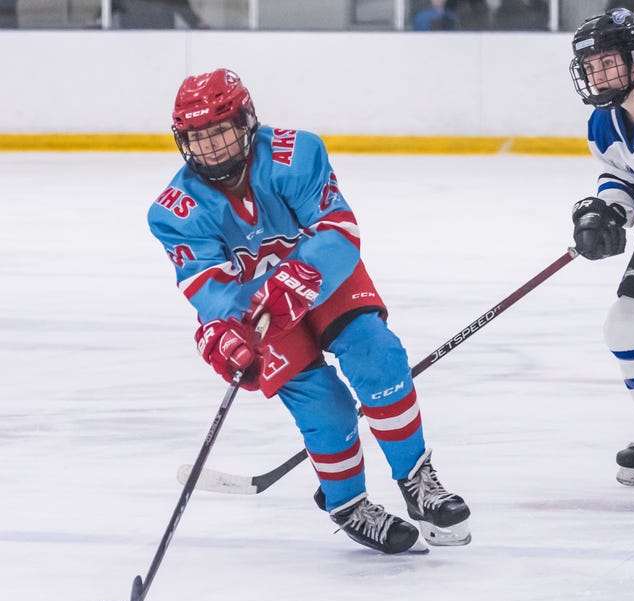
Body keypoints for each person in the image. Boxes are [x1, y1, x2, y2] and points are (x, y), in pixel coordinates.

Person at [147, 68, 471, 554]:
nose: (211, 148)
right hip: (261, 311)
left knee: (376, 356)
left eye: (219, 131)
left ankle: (418, 481)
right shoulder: (175, 210)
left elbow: (340, 233)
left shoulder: (296, 154)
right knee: (323, 404)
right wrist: (224, 334)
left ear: (247, 121)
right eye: (198, 138)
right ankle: (347, 503)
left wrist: (300, 277)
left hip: (325, 279)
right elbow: (209, 291)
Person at [569, 7, 634, 486]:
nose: (599, 74)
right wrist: (605, 212)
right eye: (591, 66)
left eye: (608, 62)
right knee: (627, 324)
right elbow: (627, 178)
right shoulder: (603, 125)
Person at [110, 0, 208, 29]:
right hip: (129, 43)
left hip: (164, 43)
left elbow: (193, 20)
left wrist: (200, 25)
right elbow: (104, 13)